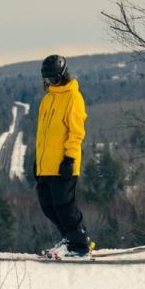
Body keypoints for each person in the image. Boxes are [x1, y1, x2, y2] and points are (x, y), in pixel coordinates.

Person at [34, 54, 93, 258]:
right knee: (48, 206)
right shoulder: (47, 100)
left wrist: (69, 159)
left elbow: (76, 133)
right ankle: (69, 239)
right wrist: (37, 162)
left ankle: (79, 244)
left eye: (54, 79)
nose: (51, 83)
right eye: (48, 80)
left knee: (64, 206)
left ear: (63, 75)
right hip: (46, 165)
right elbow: (42, 135)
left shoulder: (73, 97)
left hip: (63, 164)